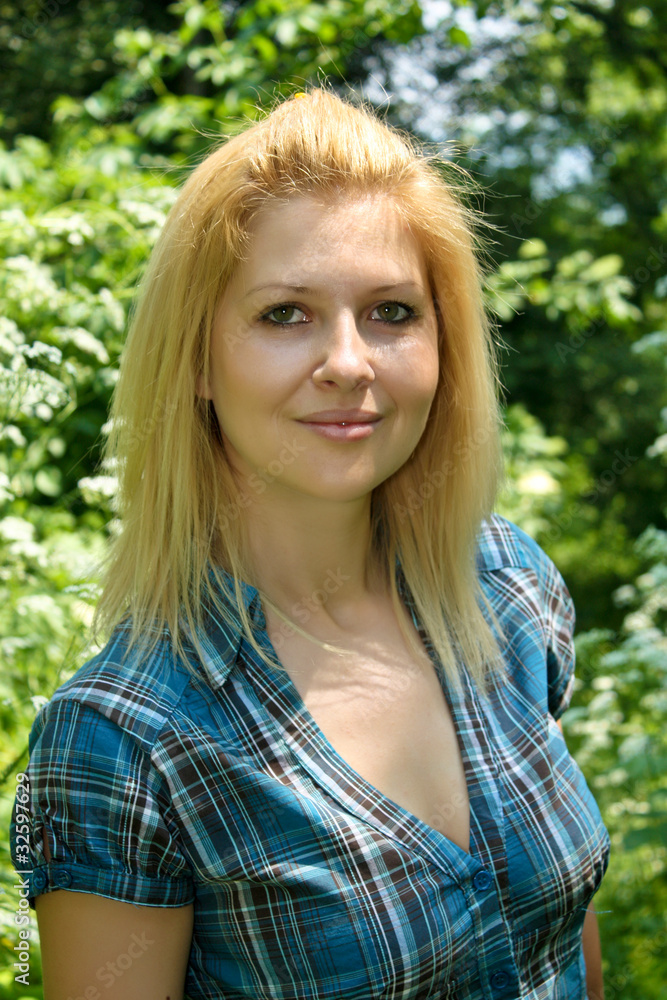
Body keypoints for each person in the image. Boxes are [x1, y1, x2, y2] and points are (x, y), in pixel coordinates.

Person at [10, 87, 609, 1000]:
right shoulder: (127, 741)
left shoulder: (506, 586)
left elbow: (563, 932)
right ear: (198, 361)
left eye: (392, 313)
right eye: (285, 313)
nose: (348, 361)